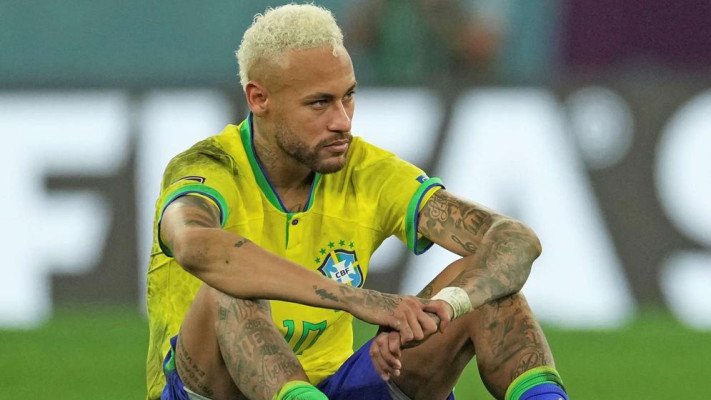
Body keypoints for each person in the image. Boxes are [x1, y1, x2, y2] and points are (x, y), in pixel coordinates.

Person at [145, 4, 569, 400]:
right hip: (214, 388)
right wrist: (357, 299)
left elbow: (513, 238)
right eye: (319, 103)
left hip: (334, 387)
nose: (342, 121)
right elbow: (196, 245)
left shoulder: (365, 170)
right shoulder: (210, 167)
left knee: (492, 289)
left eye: (348, 96)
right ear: (259, 98)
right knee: (229, 291)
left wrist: (444, 308)